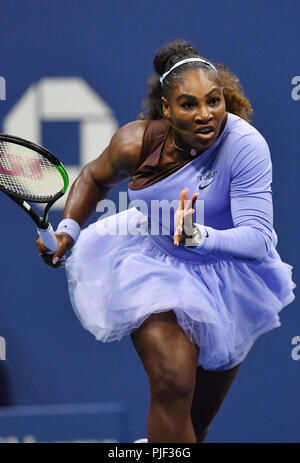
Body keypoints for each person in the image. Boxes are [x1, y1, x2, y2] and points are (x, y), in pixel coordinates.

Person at [36, 40, 295, 443]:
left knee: (195, 421)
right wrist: (69, 228)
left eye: (213, 101)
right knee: (173, 381)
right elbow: (94, 176)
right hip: (153, 265)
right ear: (166, 108)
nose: (206, 114)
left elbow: (260, 239)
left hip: (229, 280)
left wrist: (200, 237)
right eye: (189, 104)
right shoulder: (133, 143)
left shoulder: (246, 146)